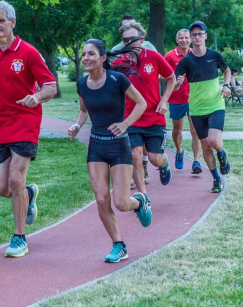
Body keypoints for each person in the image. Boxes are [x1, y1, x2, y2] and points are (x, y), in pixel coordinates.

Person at [0, 0, 57, 258]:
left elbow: (50, 86)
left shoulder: (28, 52)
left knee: (15, 179)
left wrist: (37, 97)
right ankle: (28, 195)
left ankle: (19, 237)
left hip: (24, 123)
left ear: (12, 22)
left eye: (0, 20)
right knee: (2, 188)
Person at [68, 39, 152, 263]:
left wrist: (125, 124)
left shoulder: (117, 80)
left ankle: (139, 202)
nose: (86, 58)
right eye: (84, 54)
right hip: (96, 145)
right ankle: (119, 245)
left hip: (119, 146)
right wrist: (77, 125)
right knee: (102, 199)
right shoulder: (82, 84)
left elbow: (141, 103)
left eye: (91, 54)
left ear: (103, 58)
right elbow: (84, 111)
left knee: (122, 203)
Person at [113, 21, 176, 199]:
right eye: (125, 40)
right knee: (135, 155)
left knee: (155, 157)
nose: (129, 43)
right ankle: (143, 196)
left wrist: (164, 101)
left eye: (133, 39)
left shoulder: (154, 57)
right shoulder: (119, 63)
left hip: (154, 117)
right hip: (131, 118)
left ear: (142, 38)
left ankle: (164, 164)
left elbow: (171, 78)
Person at [173, 21, 232, 194]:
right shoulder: (186, 61)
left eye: (200, 34)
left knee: (214, 141)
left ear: (205, 36)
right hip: (197, 110)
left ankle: (222, 153)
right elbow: (174, 85)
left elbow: (227, 71)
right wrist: (178, 83)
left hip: (215, 105)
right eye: (194, 35)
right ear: (191, 39)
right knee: (205, 147)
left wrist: (227, 86)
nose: (197, 37)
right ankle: (216, 178)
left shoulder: (215, 55)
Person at [111, 16, 153, 183]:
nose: (129, 39)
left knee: (144, 145)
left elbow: (157, 70)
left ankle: (144, 166)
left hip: (147, 102)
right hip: (126, 102)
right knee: (130, 141)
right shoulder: (117, 50)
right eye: (124, 29)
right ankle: (134, 173)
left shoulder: (149, 47)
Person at [164, 29, 203, 173]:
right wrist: (175, 80)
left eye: (187, 38)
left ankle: (196, 161)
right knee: (177, 129)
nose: (184, 40)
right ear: (177, 40)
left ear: (191, 39)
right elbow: (162, 76)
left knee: (195, 130)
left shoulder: (196, 54)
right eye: (181, 38)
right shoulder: (169, 56)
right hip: (176, 98)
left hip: (194, 98)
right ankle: (179, 151)